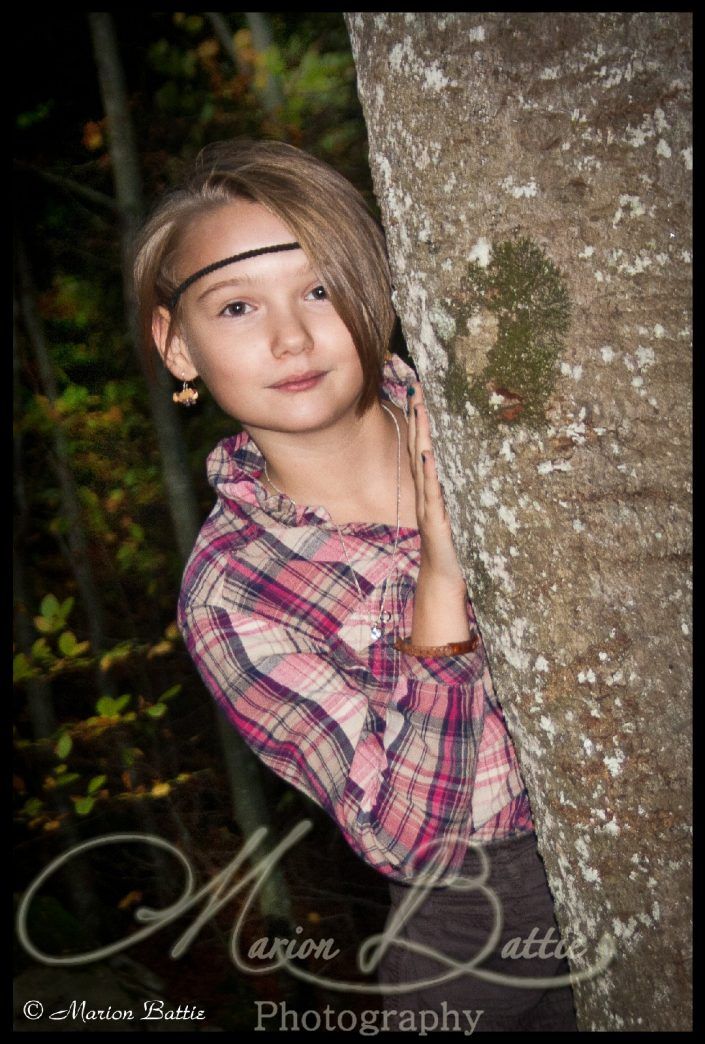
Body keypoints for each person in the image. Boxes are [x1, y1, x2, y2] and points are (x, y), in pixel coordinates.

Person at [133, 139, 577, 1031]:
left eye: (321, 289)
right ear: (176, 344)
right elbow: (419, 840)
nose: (290, 337)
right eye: (235, 306)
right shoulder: (231, 596)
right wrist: (441, 585)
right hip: (487, 953)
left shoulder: (503, 406)